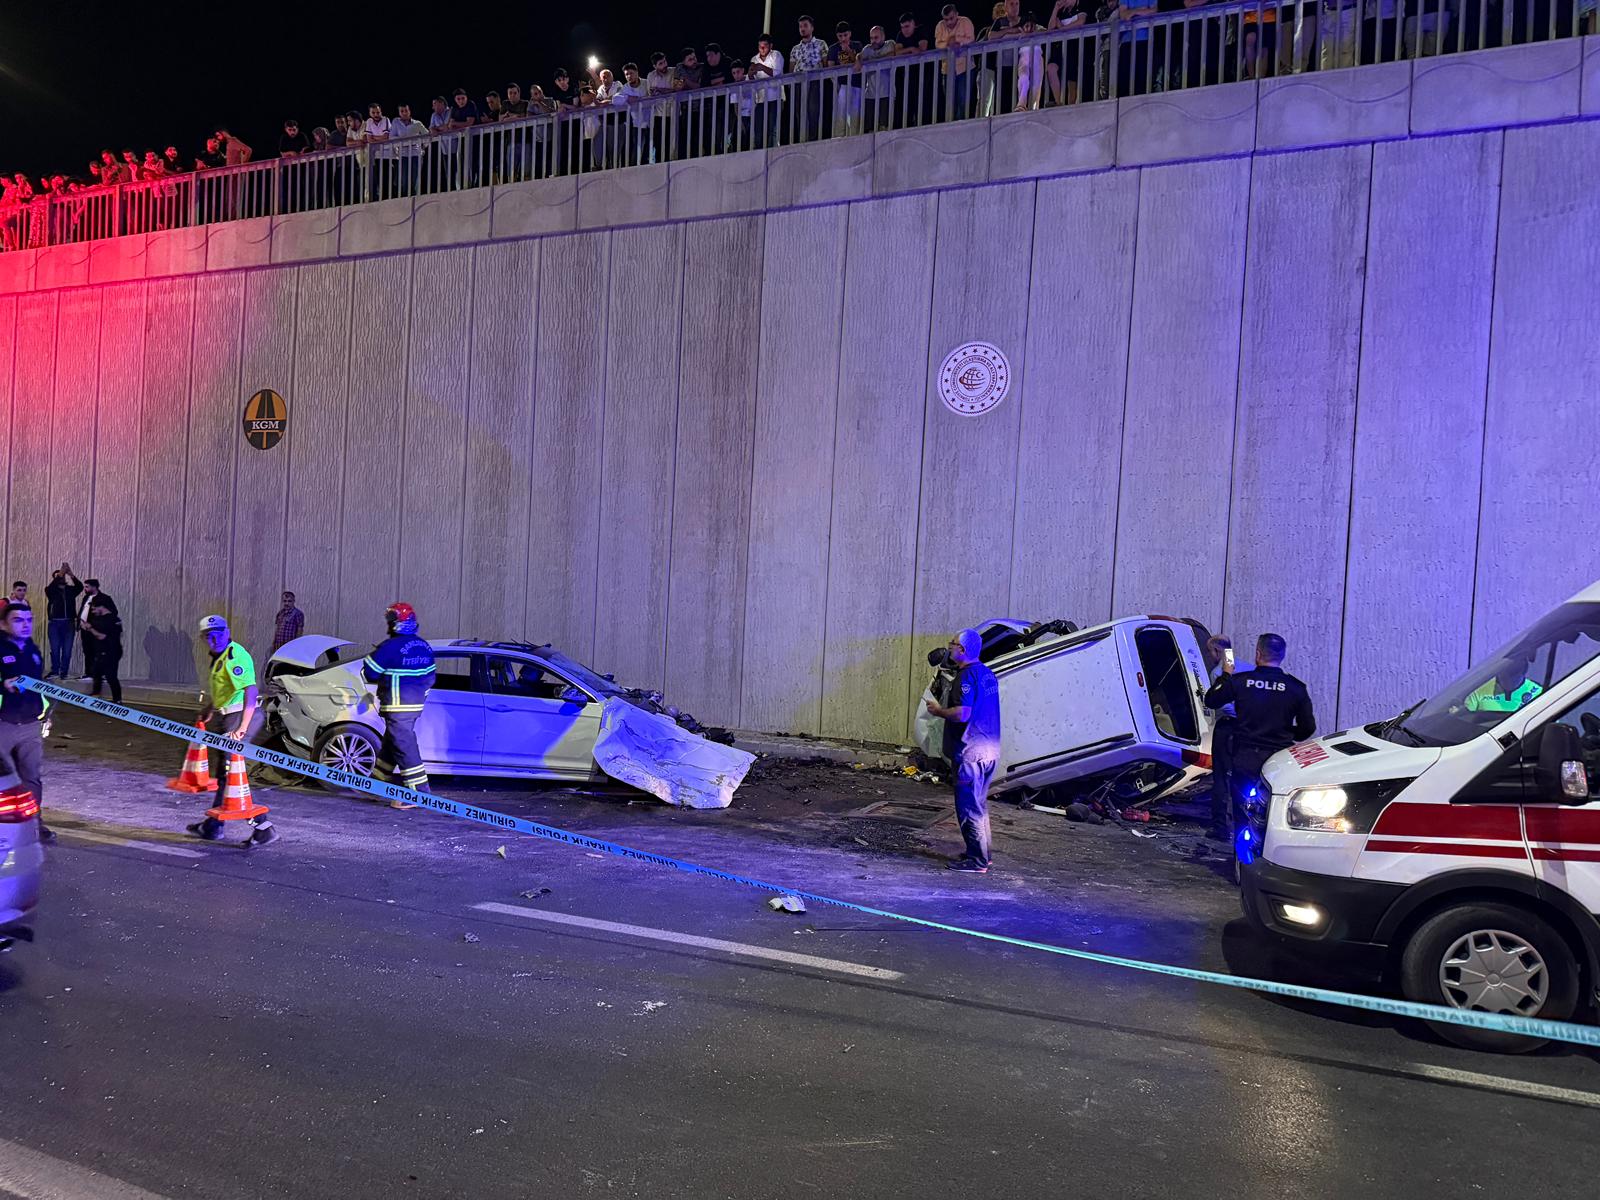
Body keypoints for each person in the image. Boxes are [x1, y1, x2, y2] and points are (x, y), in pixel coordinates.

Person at [1202, 633, 1315, 842]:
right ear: (1282, 655)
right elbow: (1308, 728)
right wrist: (1286, 733)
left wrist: (1226, 674)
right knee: (1272, 806)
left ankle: (1241, 854)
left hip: (1244, 755)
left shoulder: (1241, 681)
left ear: (1257, 653)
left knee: (1241, 808)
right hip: (1276, 758)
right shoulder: (1295, 687)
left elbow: (1212, 700)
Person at [187, 614, 275, 845]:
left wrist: (243, 728)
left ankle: (263, 827)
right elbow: (226, 691)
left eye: (218, 633)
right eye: (208, 635)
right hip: (229, 716)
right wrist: (210, 708)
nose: (214, 638)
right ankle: (214, 826)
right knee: (226, 773)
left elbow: (250, 691)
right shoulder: (219, 657)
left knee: (232, 774)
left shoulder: (235, 656)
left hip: (241, 718)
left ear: (227, 632)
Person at [925, 628, 1002, 873]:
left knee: (969, 807)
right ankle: (981, 854)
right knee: (979, 805)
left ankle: (977, 862)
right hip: (989, 750)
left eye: (953, 643)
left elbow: (962, 713)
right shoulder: (987, 674)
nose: (949, 647)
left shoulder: (965, 677)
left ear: (963, 650)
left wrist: (938, 711)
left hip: (971, 752)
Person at [361, 603, 436, 806]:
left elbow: (370, 673)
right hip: (414, 706)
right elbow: (430, 677)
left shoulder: (390, 647)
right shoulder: (424, 646)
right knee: (392, 743)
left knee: (404, 746)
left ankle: (419, 793)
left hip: (396, 706)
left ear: (395, 624)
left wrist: (372, 658)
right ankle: (377, 784)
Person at [0, 601, 54, 844]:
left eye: (29, 620)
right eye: (18, 620)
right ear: (3, 624)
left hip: (31, 725)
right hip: (3, 725)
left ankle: (34, 826)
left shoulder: (33, 650)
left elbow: (37, 686)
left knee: (31, 778)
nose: (25, 625)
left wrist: (44, 713)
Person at [44, 563, 82, 680]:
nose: (61, 578)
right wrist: (60, 573)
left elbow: (80, 587)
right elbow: (50, 588)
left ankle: (64, 672)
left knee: (67, 650)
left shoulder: (70, 590)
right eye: (58, 577)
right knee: (55, 649)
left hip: (69, 623)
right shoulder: (51, 591)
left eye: (62, 576)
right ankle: (55, 670)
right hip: (55, 623)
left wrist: (70, 574)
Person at [84, 597, 123, 704]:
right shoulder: (99, 620)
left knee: (111, 676)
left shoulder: (113, 620)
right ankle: (96, 693)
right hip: (101, 651)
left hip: (111, 651)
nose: (93, 612)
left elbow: (102, 636)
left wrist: (90, 628)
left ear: (101, 607)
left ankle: (117, 699)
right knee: (96, 672)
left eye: (94, 609)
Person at [76, 578, 113, 681]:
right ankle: (89, 673)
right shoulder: (86, 597)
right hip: (85, 629)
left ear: (94, 587)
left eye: (87, 587)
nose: (85, 589)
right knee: (87, 651)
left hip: (96, 630)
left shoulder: (104, 598)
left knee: (98, 651)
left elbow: (112, 612)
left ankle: (100, 674)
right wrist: (80, 622)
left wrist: (98, 623)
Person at [270, 590, 305, 655]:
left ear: (293, 601)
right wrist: (273, 643)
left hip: (290, 646)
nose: (287, 603)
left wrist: (297, 646)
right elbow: (277, 629)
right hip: (279, 646)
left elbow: (300, 631)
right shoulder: (280, 613)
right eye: (285, 601)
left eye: (289, 601)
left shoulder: (298, 614)